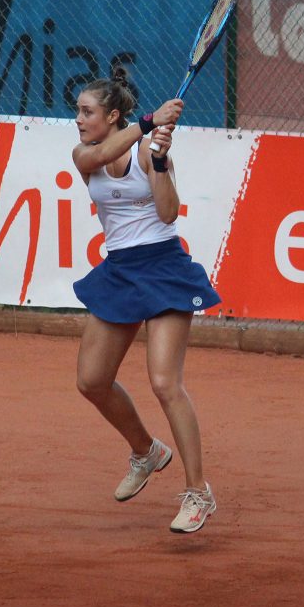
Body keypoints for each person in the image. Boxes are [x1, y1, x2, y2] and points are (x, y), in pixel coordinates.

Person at [71, 65, 220, 533]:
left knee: (164, 382)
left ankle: (199, 493)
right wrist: (151, 120)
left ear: (111, 115)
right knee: (92, 381)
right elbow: (99, 156)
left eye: (87, 111)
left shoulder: (146, 151)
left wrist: (157, 163)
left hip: (164, 267)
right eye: (79, 110)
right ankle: (147, 450)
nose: (78, 118)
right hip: (119, 271)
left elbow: (169, 212)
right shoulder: (84, 154)